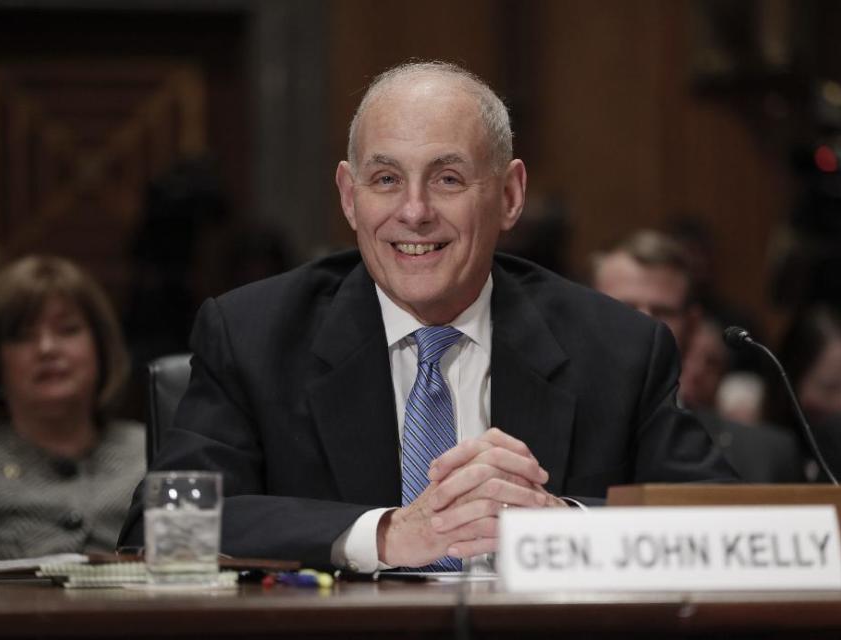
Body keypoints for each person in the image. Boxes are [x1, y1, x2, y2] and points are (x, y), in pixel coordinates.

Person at [120, 62, 733, 572]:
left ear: (511, 195)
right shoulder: (254, 336)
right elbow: (163, 528)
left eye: (447, 178)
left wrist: (562, 527)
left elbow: (730, 527)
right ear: (349, 196)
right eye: (386, 179)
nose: (414, 212)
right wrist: (386, 534)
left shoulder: (618, 348)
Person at [0, 256, 144, 568]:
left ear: (101, 347)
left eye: (68, 330)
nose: (47, 348)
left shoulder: (149, 452)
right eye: (23, 336)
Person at [592, 230, 806, 483]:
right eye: (624, 307)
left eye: (663, 311)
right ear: (586, 316)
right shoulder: (542, 435)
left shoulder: (765, 456)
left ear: (692, 324)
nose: (644, 324)